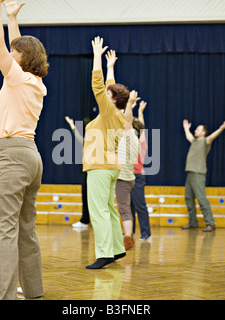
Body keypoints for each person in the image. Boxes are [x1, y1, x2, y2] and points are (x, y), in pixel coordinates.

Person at [0, 0, 48, 299]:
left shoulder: (16, 78)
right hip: (31, 157)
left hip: (11, 157)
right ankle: (34, 291)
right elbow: (13, 45)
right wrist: (12, 16)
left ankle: (2, 296)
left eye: (15, 53)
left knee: (3, 231)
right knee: (25, 231)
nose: (9, 55)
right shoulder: (32, 82)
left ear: (21, 59)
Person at [83, 39, 128, 269]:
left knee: (98, 210)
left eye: (108, 95)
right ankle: (117, 249)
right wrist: (111, 67)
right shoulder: (118, 114)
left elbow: (99, 86)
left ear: (112, 100)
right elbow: (110, 88)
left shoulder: (109, 111)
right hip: (111, 166)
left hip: (100, 166)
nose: (104, 95)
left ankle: (103, 254)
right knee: (109, 209)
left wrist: (96, 57)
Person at [181, 119, 225, 232]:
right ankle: (192, 222)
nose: (195, 131)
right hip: (190, 173)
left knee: (201, 199)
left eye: (198, 129)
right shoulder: (194, 141)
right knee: (189, 198)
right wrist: (186, 128)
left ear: (203, 133)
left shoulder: (205, 141)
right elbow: (188, 136)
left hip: (198, 174)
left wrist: (221, 128)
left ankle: (210, 223)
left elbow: (212, 136)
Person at [115, 90, 140, 250]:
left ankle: (128, 237)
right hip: (127, 177)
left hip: (123, 178)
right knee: (125, 208)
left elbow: (128, 120)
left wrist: (130, 104)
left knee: (124, 209)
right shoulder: (135, 138)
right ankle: (125, 235)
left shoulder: (129, 135)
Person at [65, 116, 90, 229]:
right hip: (86, 171)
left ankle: (88, 220)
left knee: (91, 198)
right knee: (85, 196)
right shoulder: (87, 141)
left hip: (93, 172)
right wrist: (72, 125)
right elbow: (79, 138)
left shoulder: (97, 141)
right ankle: (85, 220)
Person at [131, 101, 151, 240]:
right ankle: (129, 232)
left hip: (138, 177)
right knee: (128, 206)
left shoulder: (141, 142)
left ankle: (146, 233)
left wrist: (140, 112)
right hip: (127, 176)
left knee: (140, 205)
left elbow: (140, 127)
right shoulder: (129, 141)